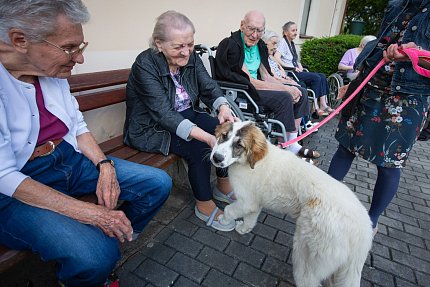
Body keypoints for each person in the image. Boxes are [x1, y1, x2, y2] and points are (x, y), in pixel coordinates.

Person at [0, 0, 172, 286]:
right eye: (69, 48)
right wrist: (96, 215)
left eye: (81, 46)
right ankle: (91, 264)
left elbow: (77, 126)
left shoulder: (52, 70)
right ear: (20, 40)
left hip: (68, 159)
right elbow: (4, 175)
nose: (79, 59)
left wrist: (105, 166)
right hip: (17, 187)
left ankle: (114, 239)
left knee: (158, 183)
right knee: (95, 257)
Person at [124, 11, 237, 232]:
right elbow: (163, 114)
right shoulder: (145, 65)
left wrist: (223, 107)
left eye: (190, 44)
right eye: (178, 47)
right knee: (198, 145)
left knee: (226, 131)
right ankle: (204, 203)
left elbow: (208, 86)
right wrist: (205, 136)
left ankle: (223, 186)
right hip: (152, 128)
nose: (186, 52)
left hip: (186, 115)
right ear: (159, 44)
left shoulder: (191, 57)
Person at [328, 0, 430, 236]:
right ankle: (324, 199)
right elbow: (381, 43)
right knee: (345, 146)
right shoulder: (397, 5)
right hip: (372, 88)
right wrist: (354, 83)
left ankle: (370, 222)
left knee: (388, 163)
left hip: (407, 100)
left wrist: (410, 55)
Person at [215, 10, 320, 161]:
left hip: (257, 88)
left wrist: (290, 86)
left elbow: (266, 76)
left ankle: (292, 142)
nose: (255, 35)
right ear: (242, 25)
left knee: (301, 92)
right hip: (244, 92)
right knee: (284, 97)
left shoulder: (260, 46)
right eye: (251, 29)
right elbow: (249, 80)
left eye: (259, 30)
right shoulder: (231, 45)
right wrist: (285, 89)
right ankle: (285, 146)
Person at [275, 21, 332, 117]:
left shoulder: (292, 43)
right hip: (290, 72)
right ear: (285, 32)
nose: (295, 32)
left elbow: (294, 58)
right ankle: (315, 107)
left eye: (296, 30)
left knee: (322, 76)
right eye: (293, 30)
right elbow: (276, 58)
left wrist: (299, 64)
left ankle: (323, 104)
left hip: (296, 70)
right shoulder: (283, 43)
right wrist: (291, 67)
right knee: (316, 78)